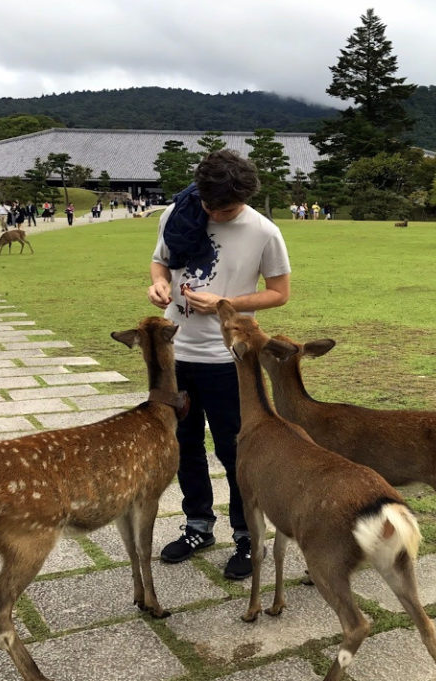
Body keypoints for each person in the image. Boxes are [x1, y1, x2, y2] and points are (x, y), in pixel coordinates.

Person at [147, 149, 291, 580]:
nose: (215, 213)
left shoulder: (264, 232)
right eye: (209, 205)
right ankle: (198, 525)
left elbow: (279, 292)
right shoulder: (179, 212)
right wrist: (158, 283)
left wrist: (227, 303)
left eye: (225, 209)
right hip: (177, 352)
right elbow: (161, 260)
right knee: (184, 444)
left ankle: (248, 535)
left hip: (228, 358)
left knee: (236, 451)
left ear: (246, 197)